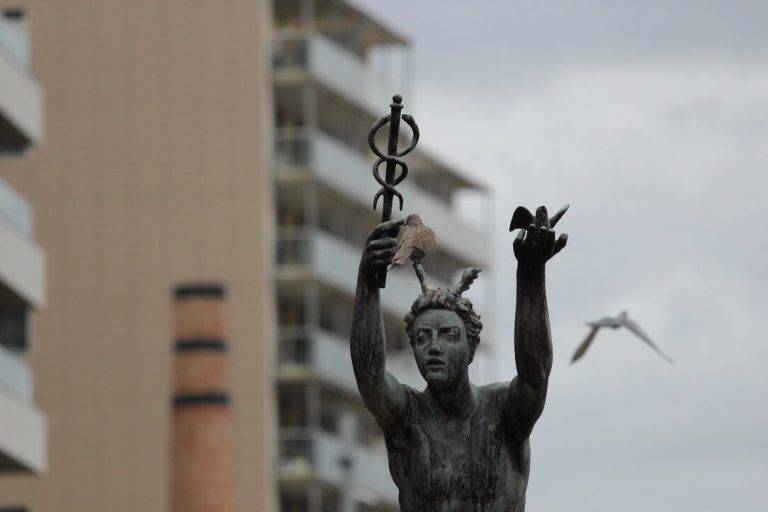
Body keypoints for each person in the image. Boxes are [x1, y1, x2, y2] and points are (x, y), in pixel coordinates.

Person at [350, 206, 567, 511]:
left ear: (471, 348)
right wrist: (367, 283)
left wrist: (531, 275)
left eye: (448, 335)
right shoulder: (406, 417)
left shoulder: (504, 410)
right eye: (422, 338)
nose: (433, 346)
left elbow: (535, 374)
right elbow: (369, 376)